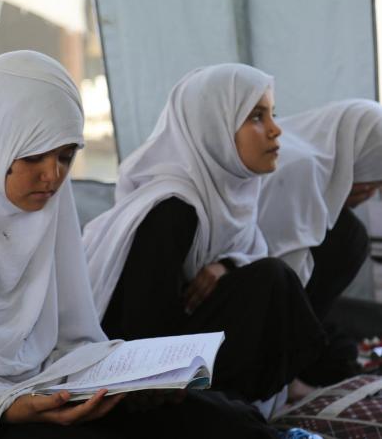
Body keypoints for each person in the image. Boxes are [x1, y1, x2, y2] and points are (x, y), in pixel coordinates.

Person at [0, 51, 281, 439]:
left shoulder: (46, 217)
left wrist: (131, 379)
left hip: (49, 391)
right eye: (33, 156)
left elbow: (71, 344)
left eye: (66, 156)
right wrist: (6, 406)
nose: (53, 176)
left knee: (228, 422)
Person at [83, 63, 326, 413]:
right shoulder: (174, 209)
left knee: (272, 281)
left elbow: (249, 252)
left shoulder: (230, 191)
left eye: (272, 114)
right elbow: (142, 333)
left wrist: (228, 265)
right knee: (273, 280)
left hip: (184, 354)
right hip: (141, 378)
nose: (275, 131)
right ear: (215, 127)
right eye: (256, 117)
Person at [258, 99, 382, 385]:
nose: (370, 192)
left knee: (341, 351)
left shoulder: (301, 152)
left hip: (272, 314)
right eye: (372, 179)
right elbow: (283, 286)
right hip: (249, 328)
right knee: (349, 236)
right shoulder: (299, 168)